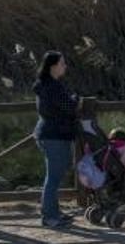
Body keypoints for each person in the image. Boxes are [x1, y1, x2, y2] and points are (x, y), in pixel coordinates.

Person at [33, 51, 80, 228]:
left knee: (55, 174)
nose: (65, 66)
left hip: (49, 133)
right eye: (62, 63)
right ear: (53, 66)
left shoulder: (45, 85)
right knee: (53, 177)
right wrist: (75, 99)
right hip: (54, 135)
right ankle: (49, 216)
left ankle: (53, 212)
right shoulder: (53, 86)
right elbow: (69, 107)